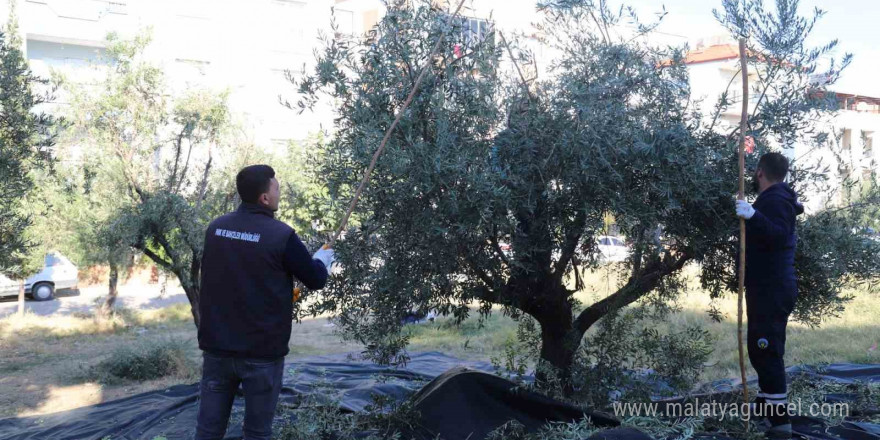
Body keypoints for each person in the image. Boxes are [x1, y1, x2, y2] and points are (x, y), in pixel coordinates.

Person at [195, 164, 335, 440]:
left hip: (217, 351)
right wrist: (323, 258)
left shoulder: (216, 229)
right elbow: (316, 279)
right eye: (277, 188)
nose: (279, 193)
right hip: (261, 354)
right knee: (257, 433)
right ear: (265, 199)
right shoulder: (281, 235)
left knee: (208, 430)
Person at [735, 152, 804, 439]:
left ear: (760, 172)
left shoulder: (775, 199)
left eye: (754, 172)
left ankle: (780, 426)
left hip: (772, 289)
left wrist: (752, 215)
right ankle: (766, 407)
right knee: (760, 349)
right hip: (768, 288)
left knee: (767, 351)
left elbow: (778, 234)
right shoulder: (776, 198)